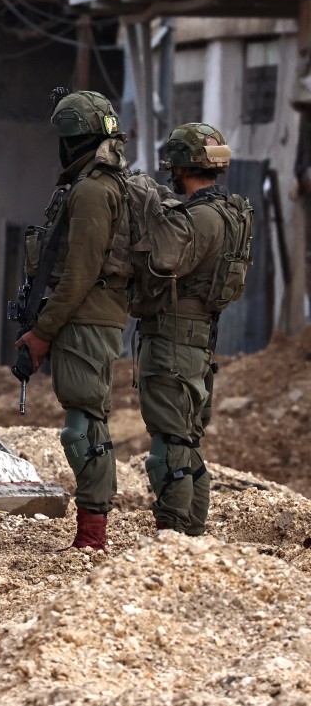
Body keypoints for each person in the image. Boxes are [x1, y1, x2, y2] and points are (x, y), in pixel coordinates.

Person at [15, 91, 131, 552]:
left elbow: (79, 272)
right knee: (86, 421)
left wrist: (42, 332)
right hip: (87, 319)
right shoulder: (94, 185)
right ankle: (91, 533)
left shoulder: (92, 190)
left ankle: (92, 537)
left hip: (87, 321)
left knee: (83, 428)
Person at [141, 124, 248, 536]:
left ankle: (174, 540)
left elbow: (160, 266)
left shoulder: (197, 219)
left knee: (168, 449)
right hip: (201, 340)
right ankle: (192, 540)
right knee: (186, 445)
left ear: (181, 168)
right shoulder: (232, 213)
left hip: (174, 341)